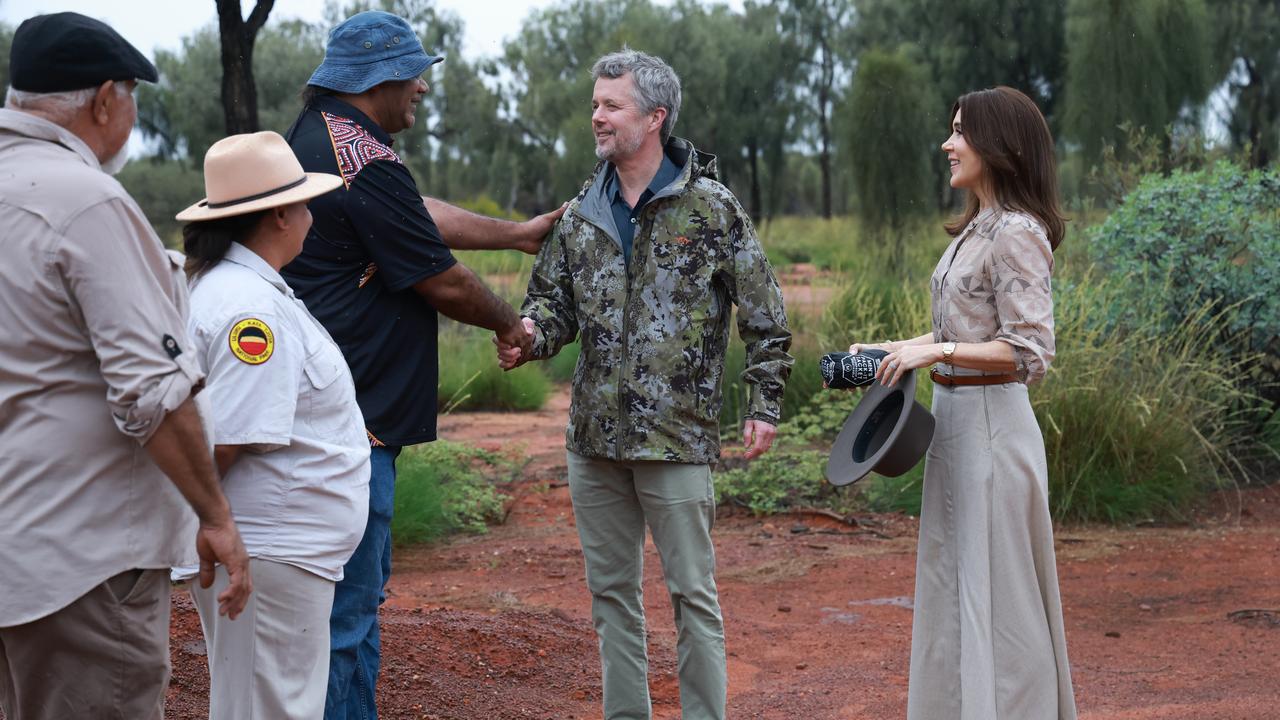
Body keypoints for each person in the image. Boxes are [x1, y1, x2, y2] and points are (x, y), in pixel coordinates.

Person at [281, 11, 564, 718]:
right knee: (345, 624)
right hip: (354, 427)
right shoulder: (360, 159)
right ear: (380, 78)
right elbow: (441, 278)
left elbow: (417, 212)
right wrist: (513, 326)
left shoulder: (330, 141)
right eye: (416, 74)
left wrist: (518, 237)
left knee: (356, 613)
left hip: (336, 419)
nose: (423, 90)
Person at [498, 49, 793, 720]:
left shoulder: (711, 208)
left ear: (655, 117)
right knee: (611, 600)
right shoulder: (580, 215)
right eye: (595, 104)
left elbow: (766, 315)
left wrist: (765, 402)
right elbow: (552, 308)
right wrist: (527, 337)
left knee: (692, 596)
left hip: (677, 440)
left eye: (611, 105)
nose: (596, 116)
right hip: (594, 445)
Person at [0, 12, 251, 720]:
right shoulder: (88, 203)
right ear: (106, 99)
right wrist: (215, 514)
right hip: (79, 564)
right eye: (133, 98)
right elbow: (152, 395)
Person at [851, 86, 1077, 719]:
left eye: (960, 133)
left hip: (994, 431)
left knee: (1002, 602)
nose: (948, 144)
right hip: (953, 429)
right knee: (955, 591)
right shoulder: (976, 228)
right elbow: (966, 331)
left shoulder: (1018, 233)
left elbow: (1030, 351)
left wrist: (938, 355)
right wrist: (894, 348)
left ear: (998, 145)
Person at [175, 131, 369, 719]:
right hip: (267, 547)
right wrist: (213, 523)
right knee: (271, 709)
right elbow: (229, 438)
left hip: (275, 548)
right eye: (305, 204)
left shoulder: (244, 289)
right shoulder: (248, 306)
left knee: (262, 705)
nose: (311, 216)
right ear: (280, 215)